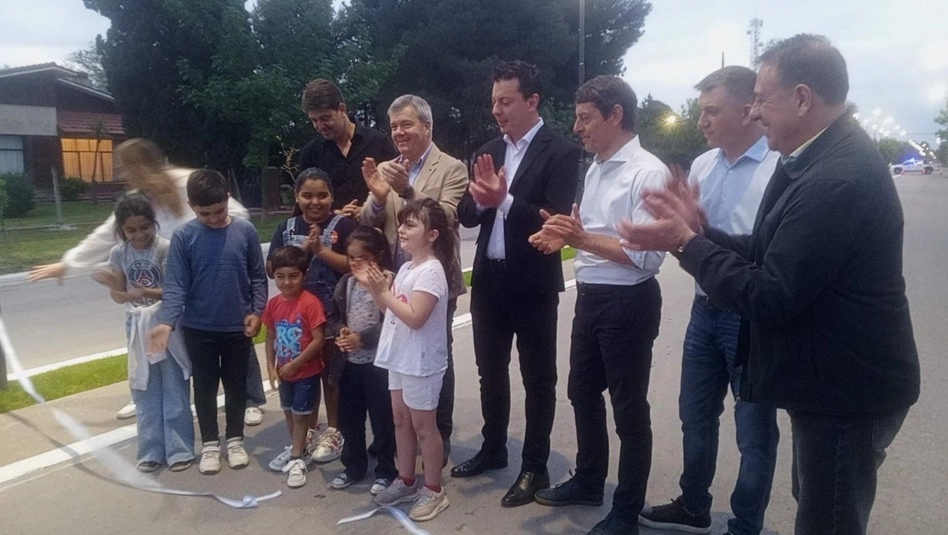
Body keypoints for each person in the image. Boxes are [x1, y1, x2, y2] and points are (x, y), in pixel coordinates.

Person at [618, 34, 920, 535]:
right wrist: (698, 235)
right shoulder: (819, 158)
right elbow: (766, 250)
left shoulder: (834, 178)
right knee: (820, 504)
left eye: (761, 99)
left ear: (802, 98)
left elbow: (770, 294)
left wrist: (687, 243)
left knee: (827, 518)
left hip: (847, 392)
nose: (754, 112)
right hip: (834, 383)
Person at [28, 138, 269, 426]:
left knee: (236, 337)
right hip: (175, 281)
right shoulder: (139, 200)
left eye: (125, 168)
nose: (122, 175)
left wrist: (208, 238)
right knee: (176, 339)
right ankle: (152, 391)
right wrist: (68, 264)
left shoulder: (188, 182)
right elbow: (105, 235)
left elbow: (236, 214)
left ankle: (250, 398)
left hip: (215, 275)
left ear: (142, 166)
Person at [638, 66, 780, 535]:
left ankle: (746, 524)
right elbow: (693, 240)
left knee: (753, 429)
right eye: (701, 111)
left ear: (748, 109)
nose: (701, 121)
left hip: (749, 315)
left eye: (711, 111)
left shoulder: (777, 167)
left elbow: (764, 254)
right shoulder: (702, 165)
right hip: (704, 310)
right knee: (695, 415)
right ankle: (694, 504)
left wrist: (695, 233)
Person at [527, 76, 666, 535]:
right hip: (591, 298)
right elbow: (589, 237)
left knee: (629, 410)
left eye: (585, 118)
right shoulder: (596, 169)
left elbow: (647, 256)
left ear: (615, 115)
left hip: (628, 301)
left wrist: (581, 239)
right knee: (581, 392)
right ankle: (589, 480)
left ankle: (626, 512)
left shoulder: (648, 173)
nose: (577, 128)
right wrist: (563, 241)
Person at [454, 60, 580, 508]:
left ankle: (534, 465)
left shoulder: (561, 152)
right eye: (494, 101)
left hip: (533, 285)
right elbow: (467, 215)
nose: (497, 110)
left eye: (506, 101)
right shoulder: (489, 150)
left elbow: (554, 220)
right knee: (490, 372)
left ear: (532, 101)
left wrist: (503, 199)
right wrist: (479, 200)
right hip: (490, 281)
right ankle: (493, 448)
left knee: (538, 378)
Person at [361, 94, 468, 463]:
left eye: (406, 124)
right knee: (396, 355)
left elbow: (448, 218)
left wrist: (407, 190)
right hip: (396, 277)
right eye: (393, 126)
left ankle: (438, 433)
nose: (398, 132)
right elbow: (368, 220)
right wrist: (378, 198)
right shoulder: (388, 168)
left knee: (435, 357)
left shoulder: (451, 168)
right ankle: (401, 433)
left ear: (427, 126)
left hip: (434, 278)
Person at [150, 169, 269, 475]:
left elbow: (258, 277)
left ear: (228, 199)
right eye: (205, 214)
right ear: (191, 205)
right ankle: (211, 444)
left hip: (238, 326)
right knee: (204, 387)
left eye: (219, 211)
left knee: (236, 385)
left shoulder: (245, 231)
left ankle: (235, 440)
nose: (214, 219)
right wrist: (167, 322)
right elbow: (176, 285)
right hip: (199, 327)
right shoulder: (184, 237)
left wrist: (257, 312)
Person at [363, 199, 452, 522]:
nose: (401, 229)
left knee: (424, 426)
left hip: (422, 361)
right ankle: (407, 479)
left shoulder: (431, 271)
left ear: (432, 234)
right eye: (401, 223)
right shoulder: (406, 268)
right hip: (401, 356)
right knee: (401, 420)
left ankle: (434, 489)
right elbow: (392, 311)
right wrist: (377, 290)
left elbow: (416, 318)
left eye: (410, 225)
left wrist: (384, 293)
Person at [92, 192, 194, 473]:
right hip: (136, 324)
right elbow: (120, 296)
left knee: (173, 385)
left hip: (165, 321)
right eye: (131, 230)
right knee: (143, 387)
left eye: (144, 227)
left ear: (154, 223)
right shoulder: (119, 253)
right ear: (121, 230)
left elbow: (173, 290)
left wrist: (144, 291)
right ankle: (150, 450)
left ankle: (180, 450)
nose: (139, 235)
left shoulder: (165, 247)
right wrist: (113, 286)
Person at [266, 167, 356, 467]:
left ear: (331, 196)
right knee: (305, 375)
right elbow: (272, 268)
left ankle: (334, 430)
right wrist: (301, 251)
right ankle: (306, 431)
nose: (315, 202)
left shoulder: (343, 225)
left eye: (322, 195)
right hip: (295, 319)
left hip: (333, 315)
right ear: (296, 196)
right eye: (307, 195)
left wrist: (322, 250)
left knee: (331, 377)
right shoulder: (286, 228)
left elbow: (352, 265)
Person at [326, 226, 398, 494]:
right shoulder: (346, 282)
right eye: (351, 257)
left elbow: (394, 321)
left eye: (363, 258)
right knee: (349, 419)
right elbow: (333, 317)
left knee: (383, 420)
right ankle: (353, 466)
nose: (356, 263)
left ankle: (386, 470)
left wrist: (362, 339)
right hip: (349, 364)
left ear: (377, 256)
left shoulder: (388, 282)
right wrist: (341, 332)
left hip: (378, 365)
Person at [262, 246, 327, 488]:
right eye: (280, 277)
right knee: (288, 413)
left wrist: (296, 364)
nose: (286, 282)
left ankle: (297, 457)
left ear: (304, 274)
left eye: (293, 276)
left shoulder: (310, 303)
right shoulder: (273, 304)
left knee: (301, 416)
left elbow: (318, 339)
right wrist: (271, 367)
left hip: (305, 372)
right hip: (284, 372)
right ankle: (298, 448)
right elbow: (270, 337)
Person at [299, 79, 399, 218]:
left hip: (374, 227)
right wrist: (335, 215)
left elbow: (397, 195)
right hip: (329, 230)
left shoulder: (379, 142)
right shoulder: (311, 153)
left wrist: (367, 210)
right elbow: (304, 205)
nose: (320, 126)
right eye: (314, 120)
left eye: (325, 118)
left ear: (342, 109)